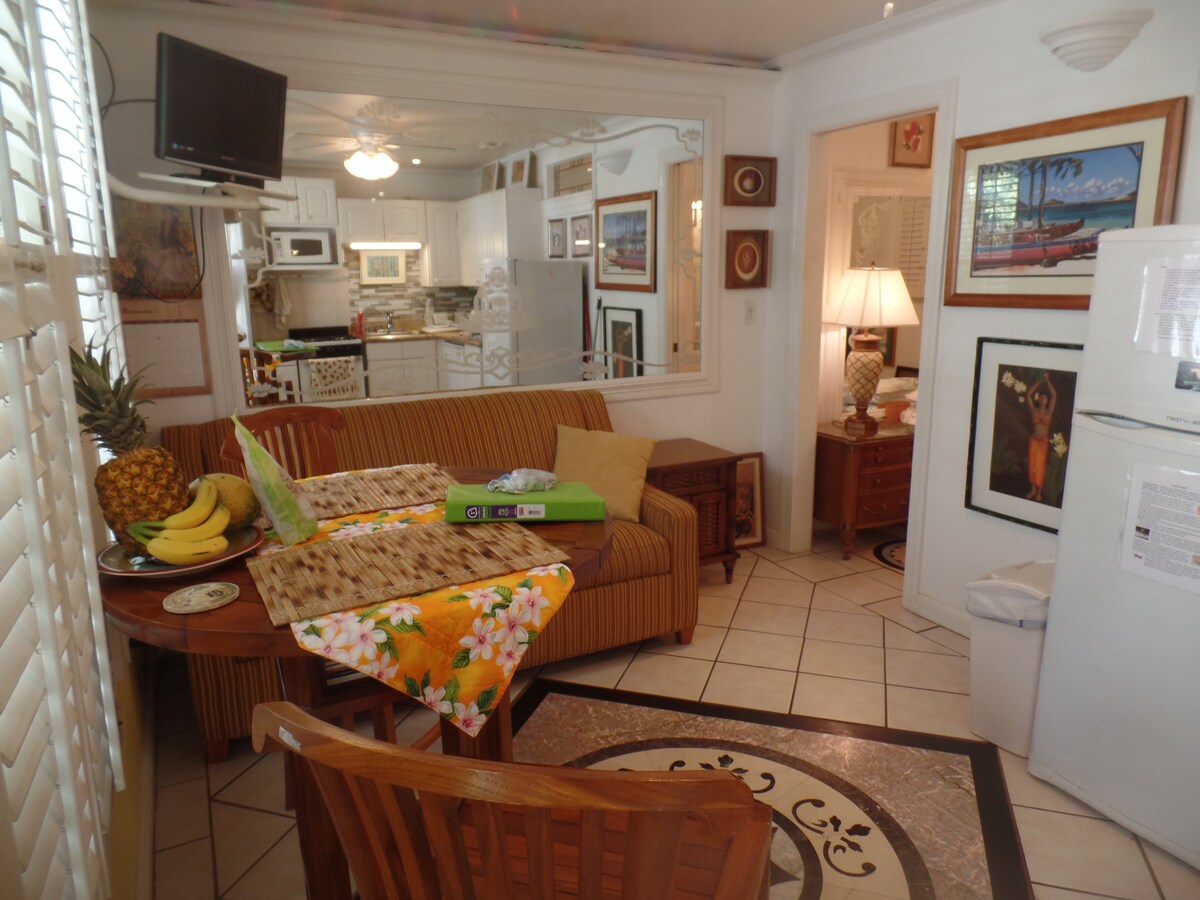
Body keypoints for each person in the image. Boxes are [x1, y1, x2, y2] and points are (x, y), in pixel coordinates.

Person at [1026, 373, 1056, 502]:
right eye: (1041, 397)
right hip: (1034, 440)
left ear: (1047, 400)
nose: (1043, 399)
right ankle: (1033, 489)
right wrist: (1038, 381)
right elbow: (1028, 395)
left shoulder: (1049, 411)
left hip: (1043, 442)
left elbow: (1054, 395)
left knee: (1040, 466)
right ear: (1038, 399)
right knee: (1032, 464)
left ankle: (1039, 492)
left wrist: (1047, 380)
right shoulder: (1034, 410)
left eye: (1045, 398)